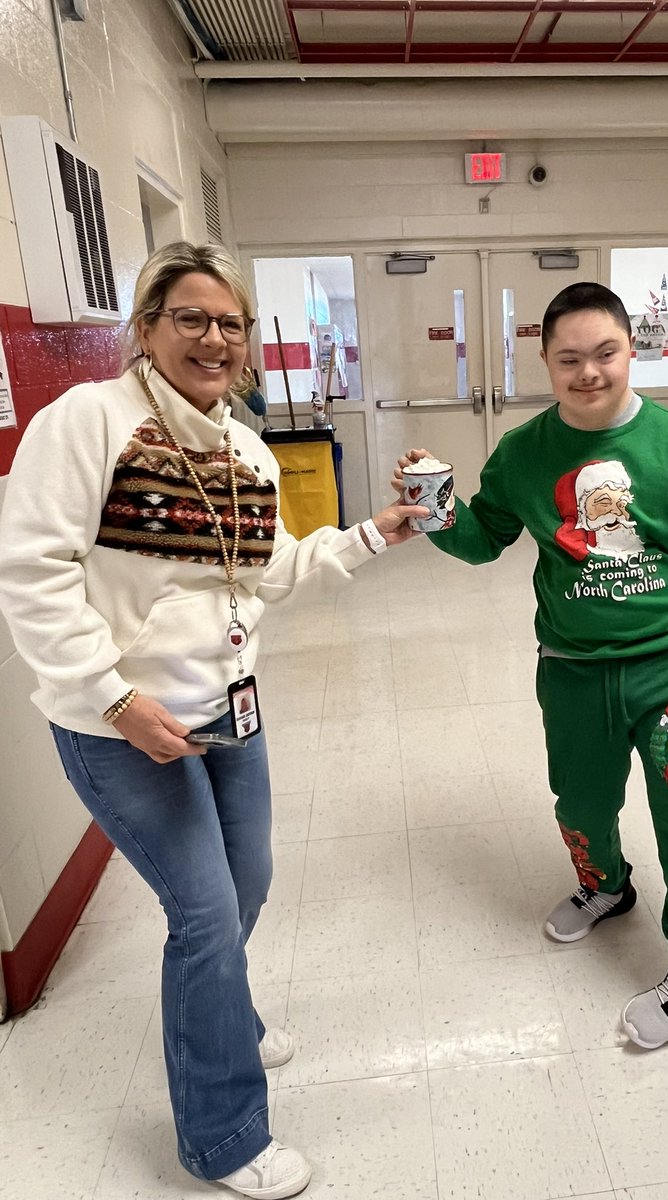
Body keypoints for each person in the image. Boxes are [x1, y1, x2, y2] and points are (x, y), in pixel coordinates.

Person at [0, 241, 427, 1198]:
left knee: (250, 880)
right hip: (117, 720)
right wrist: (111, 693)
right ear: (146, 327)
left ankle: (219, 1009)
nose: (215, 338)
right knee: (202, 915)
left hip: (225, 706)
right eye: (191, 317)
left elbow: (266, 571)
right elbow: (30, 573)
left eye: (230, 321)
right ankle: (222, 1136)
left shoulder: (239, 444)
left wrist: (371, 533)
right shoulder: (88, 422)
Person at [394, 281, 668, 1050]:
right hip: (572, 671)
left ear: (631, 350)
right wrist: (433, 504)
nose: (589, 371)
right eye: (569, 358)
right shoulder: (526, 453)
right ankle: (606, 885)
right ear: (545, 362)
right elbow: (480, 539)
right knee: (580, 804)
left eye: (604, 353)